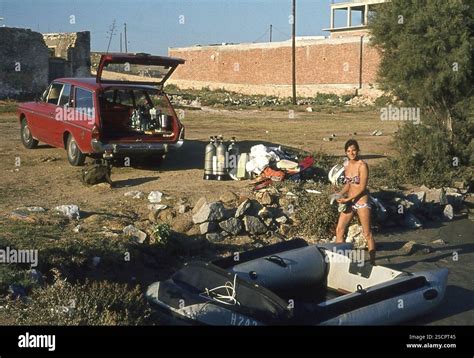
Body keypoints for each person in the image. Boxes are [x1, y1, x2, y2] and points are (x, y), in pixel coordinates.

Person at [335, 139, 376, 265]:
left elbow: (362, 187)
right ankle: (339, 261)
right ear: (346, 153)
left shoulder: (362, 165)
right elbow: (348, 184)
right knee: (339, 229)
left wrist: (348, 198)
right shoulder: (347, 165)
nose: (351, 153)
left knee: (367, 233)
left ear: (357, 150)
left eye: (353, 150)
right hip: (349, 202)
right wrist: (340, 194)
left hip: (361, 202)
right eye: (348, 151)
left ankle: (373, 263)